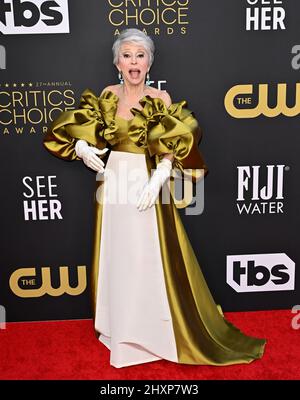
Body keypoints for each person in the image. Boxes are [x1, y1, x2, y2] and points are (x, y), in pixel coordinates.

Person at [43, 28, 266, 368]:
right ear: (117, 62)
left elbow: (177, 140)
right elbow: (92, 132)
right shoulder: (107, 94)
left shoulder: (159, 98)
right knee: (118, 255)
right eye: (128, 55)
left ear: (149, 62)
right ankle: (121, 327)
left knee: (146, 256)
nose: (134, 62)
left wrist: (162, 173)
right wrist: (82, 145)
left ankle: (151, 331)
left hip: (146, 184)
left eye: (140, 55)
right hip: (113, 183)